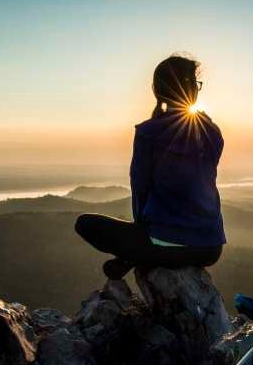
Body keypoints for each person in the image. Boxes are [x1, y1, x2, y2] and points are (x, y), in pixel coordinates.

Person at [75, 54, 226, 280]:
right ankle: (136, 256)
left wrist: (140, 236)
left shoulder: (149, 133)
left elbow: (141, 191)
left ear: (158, 90)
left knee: (85, 223)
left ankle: (135, 256)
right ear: (192, 90)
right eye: (195, 84)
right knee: (150, 238)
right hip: (210, 248)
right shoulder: (212, 133)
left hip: (166, 243)